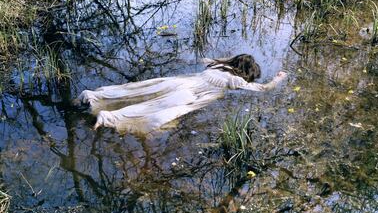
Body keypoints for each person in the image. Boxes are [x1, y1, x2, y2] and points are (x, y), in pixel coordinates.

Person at [76, 54, 287, 134]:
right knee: (153, 109)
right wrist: (278, 79)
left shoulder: (215, 67)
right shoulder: (235, 80)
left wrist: (224, 60)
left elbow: (205, 58)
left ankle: (94, 97)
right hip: (190, 95)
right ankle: (109, 118)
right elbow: (262, 89)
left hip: (177, 82)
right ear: (247, 74)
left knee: (138, 91)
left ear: (233, 62)